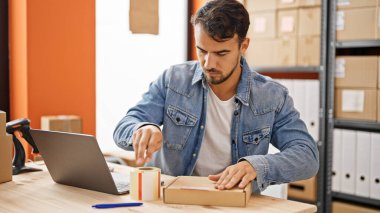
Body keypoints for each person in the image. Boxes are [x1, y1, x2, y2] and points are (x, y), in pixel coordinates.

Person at [114, 0, 319, 194]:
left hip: (232, 204)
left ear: (244, 46)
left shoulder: (272, 96)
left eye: (221, 53)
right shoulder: (173, 80)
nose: (208, 63)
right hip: (171, 201)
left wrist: (256, 165)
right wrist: (141, 129)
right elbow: (124, 126)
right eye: (201, 50)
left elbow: (307, 156)